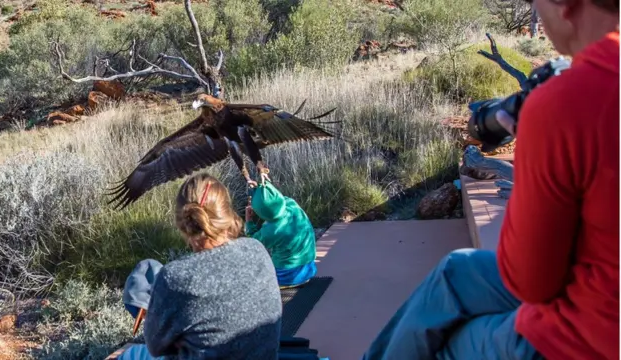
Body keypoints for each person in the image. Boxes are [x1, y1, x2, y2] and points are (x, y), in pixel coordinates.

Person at [361, 0, 619, 359]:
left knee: (448, 343)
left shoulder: (571, 101)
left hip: (590, 338)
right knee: (456, 271)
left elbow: (531, 282)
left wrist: (535, 147)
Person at [120, 173, 283, 360]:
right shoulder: (257, 249)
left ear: (183, 224)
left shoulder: (174, 278)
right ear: (226, 213)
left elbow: (156, 347)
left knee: (132, 355)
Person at [245, 180, 318, 289]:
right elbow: (274, 199)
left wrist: (249, 221)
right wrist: (258, 191)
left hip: (286, 276)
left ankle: (285, 285)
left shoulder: (271, 231)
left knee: (251, 276)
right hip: (309, 269)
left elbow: (253, 243)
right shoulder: (292, 204)